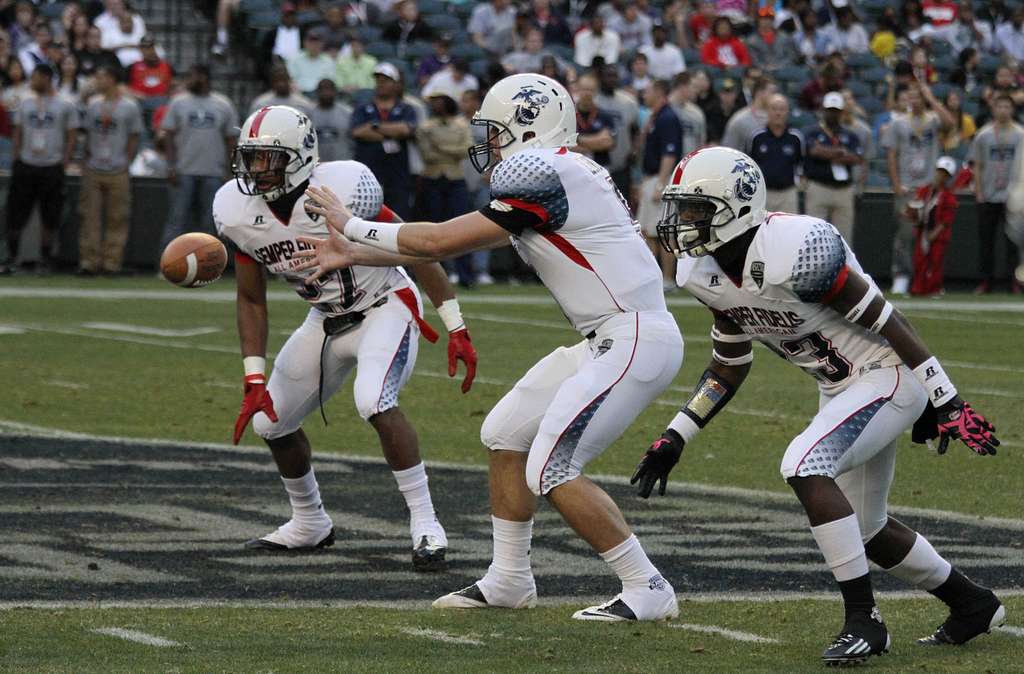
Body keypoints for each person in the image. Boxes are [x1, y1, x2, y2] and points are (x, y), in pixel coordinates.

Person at [295, 74, 685, 622]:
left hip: (634, 335)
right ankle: (509, 579)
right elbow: (444, 245)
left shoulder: (546, 170)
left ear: (528, 125)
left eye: (496, 131)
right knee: (504, 433)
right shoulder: (561, 175)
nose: (490, 143)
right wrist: (354, 252)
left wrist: (352, 226)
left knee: (551, 464)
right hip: (610, 337)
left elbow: (436, 242)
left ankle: (646, 585)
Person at [642, 145, 1003, 666]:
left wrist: (945, 399)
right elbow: (728, 365)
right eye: (683, 209)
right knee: (866, 529)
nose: (683, 223)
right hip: (842, 389)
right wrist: (678, 434)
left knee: (803, 463)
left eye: (697, 210)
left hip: (886, 374)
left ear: (736, 206)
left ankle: (864, 620)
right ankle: (972, 604)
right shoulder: (704, 274)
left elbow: (888, 321)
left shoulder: (798, 248)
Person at [215, 105, 477, 569]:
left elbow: (412, 246)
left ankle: (426, 524)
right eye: (249, 158)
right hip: (325, 318)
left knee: (373, 399)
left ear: (300, 156)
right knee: (270, 422)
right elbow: (251, 299)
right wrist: (252, 376)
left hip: (385, 306)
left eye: (265, 159)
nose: (254, 170)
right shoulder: (239, 212)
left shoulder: (341, 189)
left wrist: (455, 324)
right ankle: (309, 522)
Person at [0, 63, 78, 275]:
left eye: (35, 77)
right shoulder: (25, 101)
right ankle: (12, 258)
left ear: (46, 78)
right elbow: (18, 131)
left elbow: (71, 134)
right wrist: (16, 158)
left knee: (50, 215)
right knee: (16, 213)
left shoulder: (65, 103)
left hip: (51, 165)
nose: (32, 81)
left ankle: (45, 259)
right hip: (26, 163)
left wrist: (65, 160)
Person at [158, 64, 239, 251]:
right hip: (183, 170)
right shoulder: (178, 102)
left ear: (204, 77)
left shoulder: (223, 103)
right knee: (177, 219)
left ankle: (209, 265)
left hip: (213, 171)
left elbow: (231, 140)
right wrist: (170, 165)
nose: (188, 80)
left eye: (192, 76)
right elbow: (168, 135)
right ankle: (168, 262)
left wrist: (229, 169)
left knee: (210, 222)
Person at [883, 82, 954, 295]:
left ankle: (928, 279)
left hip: (929, 188)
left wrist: (932, 99)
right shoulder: (898, 123)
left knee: (928, 235)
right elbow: (891, 154)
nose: (915, 101)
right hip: (908, 185)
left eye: (918, 97)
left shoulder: (933, 120)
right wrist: (896, 184)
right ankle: (901, 275)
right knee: (905, 233)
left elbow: (950, 124)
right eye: (911, 97)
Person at [77, 65, 143, 276]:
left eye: (102, 76)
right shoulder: (93, 105)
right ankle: (89, 261)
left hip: (118, 168)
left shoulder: (129, 106)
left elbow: (134, 136)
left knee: (118, 218)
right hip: (94, 166)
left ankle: (111, 262)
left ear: (113, 79)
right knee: (90, 218)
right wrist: (86, 159)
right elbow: (86, 134)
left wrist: (127, 160)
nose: (98, 81)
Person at [416, 79, 473, 285]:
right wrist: (450, 150)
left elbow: (466, 150)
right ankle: (433, 275)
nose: (435, 104)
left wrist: (441, 147)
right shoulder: (425, 126)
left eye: (439, 100)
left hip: (454, 179)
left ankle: (465, 275)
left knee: (462, 229)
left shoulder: (461, 124)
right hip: (432, 179)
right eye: (433, 101)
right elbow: (427, 155)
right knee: (429, 228)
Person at [970, 94, 1024, 294]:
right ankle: (986, 281)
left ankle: (1014, 281)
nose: (1003, 110)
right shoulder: (984, 135)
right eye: (999, 106)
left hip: (1013, 197)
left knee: (1013, 243)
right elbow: (977, 165)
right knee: (986, 241)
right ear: (994, 109)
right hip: (989, 194)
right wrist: (979, 192)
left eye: (1007, 106)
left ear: (1012, 110)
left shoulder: (1020, 134)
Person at [350, 62, 418, 219]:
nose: (381, 84)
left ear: (395, 84)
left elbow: (406, 129)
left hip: (397, 174)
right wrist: (391, 132)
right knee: (367, 218)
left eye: (386, 80)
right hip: (368, 173)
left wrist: (374, 126)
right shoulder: (363, 108)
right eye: (378, 80)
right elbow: (358, 132)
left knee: (398, 217)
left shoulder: (407, 109)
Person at [638, 79, 683, 290]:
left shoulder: (667, 118)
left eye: (647, 91)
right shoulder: (655, 117)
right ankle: (653, 277)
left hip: (660, 177)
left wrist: (661, 183)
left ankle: (668, 278)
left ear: (658, 92)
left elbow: (670, 152)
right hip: (651, 177)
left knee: (663, 232)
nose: (644, 95)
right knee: (648, 232)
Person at [803, 91, 862, 245]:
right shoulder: (813, 131)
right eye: (830, 110)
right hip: (819, 187)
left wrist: (826, 152)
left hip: (844, 190)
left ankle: (841, 269)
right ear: (823, 110)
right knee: (814, 236)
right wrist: (840, 151)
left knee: (843, 239)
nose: (832, 114)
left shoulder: (849, 134)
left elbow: (856, 158)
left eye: (836, 111)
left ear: (842, 112)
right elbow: (814, 151)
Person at [747, 94, 803, 214]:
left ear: (787, 112)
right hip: (763, 194)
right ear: (767, 111)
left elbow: (801, 163)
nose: (778, 113)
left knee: (789, 230)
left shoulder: (796, 137)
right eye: (774, 108)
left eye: (782, 109)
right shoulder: (757, 137)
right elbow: (749, 165)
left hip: (788, 194)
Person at [910, 157, 958, 296]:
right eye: (939, 172)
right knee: (919, 260)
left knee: (935, 262)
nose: (940, 176)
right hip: (923, 231)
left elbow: (946, 220)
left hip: (938, 234)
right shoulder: (925, 190)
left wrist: (935, 233)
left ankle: (933, 289)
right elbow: (915, 206)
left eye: (945, 174)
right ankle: (918, 288)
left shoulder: (948, 196)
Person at [596, 63, 639, 204]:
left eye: (614, 76)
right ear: (600, 78)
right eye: (608, 76)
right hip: (596, 167)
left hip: (621, 167)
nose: (611, 79)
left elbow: (635, 131)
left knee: (621, 205)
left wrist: (634, 150)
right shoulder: (594, 101)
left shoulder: (629, 102)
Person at [573, 73, 615, 168]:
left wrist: (576, 139)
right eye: (584, 89)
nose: (587, 93)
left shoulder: (605, 115)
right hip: (574, 168)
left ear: (596, 92)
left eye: (590, 90)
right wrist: (596, 141)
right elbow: (565, 146)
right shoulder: (568, 115)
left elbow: (608, 143)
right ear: (577, 89)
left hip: (600, 168)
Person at [721, 77, 776, 151]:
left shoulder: (776, 118)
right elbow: (727, 149)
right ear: (760, 92)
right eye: (772, 92)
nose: (775, 96)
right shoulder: (740, 119)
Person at [311, 78, 352, 162]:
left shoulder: (348, 113)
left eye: (329, 89)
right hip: (317, 164)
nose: (325, 93)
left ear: (335, 92)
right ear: (317, 92)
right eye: (322, 89)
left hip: (341, 162)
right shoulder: (309, 114)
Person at [250, 65, 314, 117]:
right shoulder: (260, 104)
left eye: (284, 80)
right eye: (277, 80)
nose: (281, 84)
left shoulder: (304, 104)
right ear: (272, 82)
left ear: (289, 81)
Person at [668, 71, 706, 158]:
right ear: (682, 86)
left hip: (689, 164)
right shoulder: (663, 109)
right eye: (694, 87)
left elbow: (701, 144)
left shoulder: (697, 113)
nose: (697, 91)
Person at [286, 31, 335, 97]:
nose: (314, 46)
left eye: (317, 43)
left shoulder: (328, 61)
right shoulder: (294, 59)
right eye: (311, 42)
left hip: (320, 95)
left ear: (322, 44)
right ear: (305, 43)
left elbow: (330, 81)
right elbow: (291, 79)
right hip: (299, 94)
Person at [705, 76, 741, 144]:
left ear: (735, 94)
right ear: (720, 94)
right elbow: (710, 133)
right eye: (725, 93)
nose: (728, 96)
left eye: (731, 93)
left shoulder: (739, 112)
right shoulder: (711, 110)